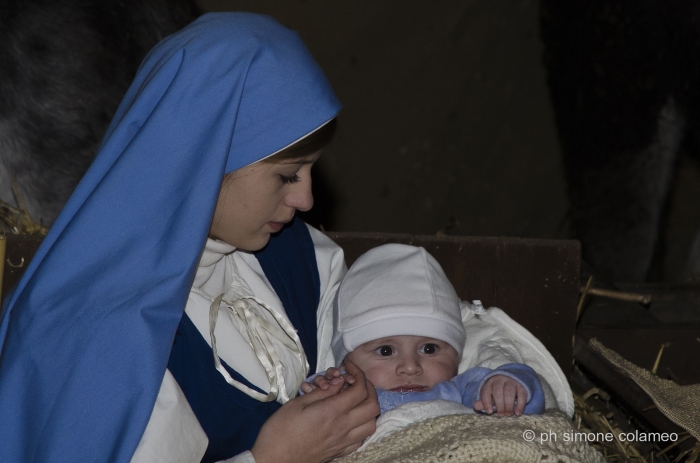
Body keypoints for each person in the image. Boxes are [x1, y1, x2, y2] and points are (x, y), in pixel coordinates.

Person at [0, 12, 379, 463]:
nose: (307, 199)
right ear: (205, 161)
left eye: (312, 169)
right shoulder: (97, 337)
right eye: (288, 175)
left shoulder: (301, 258)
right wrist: (272, 458)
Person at [301, 244, 545, 416]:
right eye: (386, 351)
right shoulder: (351, 396)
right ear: (346, 364)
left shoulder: (459, 390)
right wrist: (324, 391)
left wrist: (507, 385)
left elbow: (519, 395)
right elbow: (307, 417)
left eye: (429, 349)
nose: (410, 367)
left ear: (456, 357)